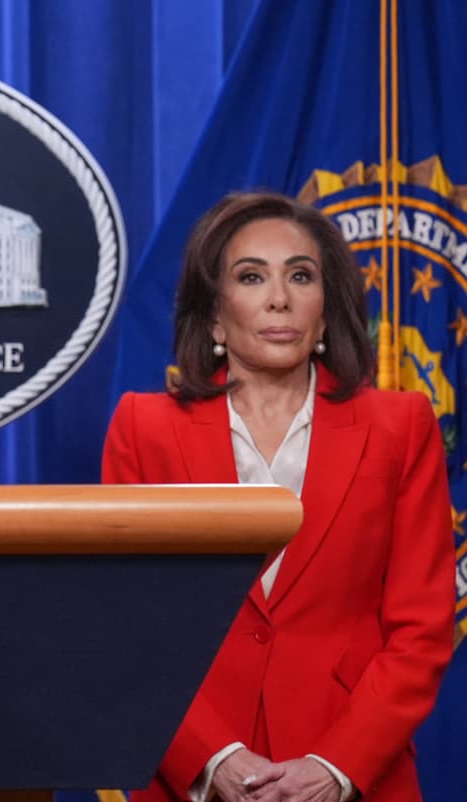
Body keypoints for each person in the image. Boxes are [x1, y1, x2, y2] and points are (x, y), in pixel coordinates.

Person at [103, 192, 453, 802]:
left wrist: (336, 765)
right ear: (214, 314)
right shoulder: (144, 427)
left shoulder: (400, 425)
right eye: (250, 276)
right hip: (194, 771)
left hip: (355, 770)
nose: (278, 298)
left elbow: (421, 628)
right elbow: (126, 623)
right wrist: (214, 758)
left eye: (300, 275)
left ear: (325, 309)